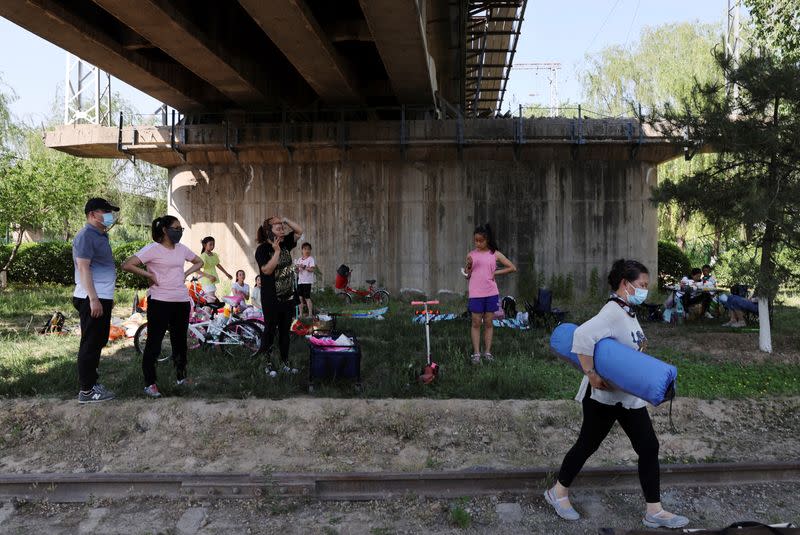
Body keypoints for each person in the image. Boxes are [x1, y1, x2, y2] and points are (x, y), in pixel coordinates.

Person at [545, 259, 689, 529]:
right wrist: (591, 375)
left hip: (628, 398)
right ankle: (557, 492)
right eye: (642, 285)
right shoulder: (612, 311)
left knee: (648, 446)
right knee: (587, 444)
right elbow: (583, 337)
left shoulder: (628, 312)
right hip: (603, 397)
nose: (645, 290)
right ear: (625, 284)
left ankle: (654, 511)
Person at [122, 216, 204, 398]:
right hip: (159, 301)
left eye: (181, 228)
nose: (179, 231)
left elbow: (199, 262)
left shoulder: (182, 249)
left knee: (180, 342)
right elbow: (127, 264)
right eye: (176, 228)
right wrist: (149, 275)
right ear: (165, 230)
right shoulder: (153, 249)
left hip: (181, 301)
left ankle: (181, 377)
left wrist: (185, 273)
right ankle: (150, 383)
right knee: (154, 343)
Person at [72, 197, 120, 403]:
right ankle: (87, 390)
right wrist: (94, 299)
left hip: (101, 296)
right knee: (91, 343)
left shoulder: (100, 235)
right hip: (91, 297)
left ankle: (92, 382)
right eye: (105, 211)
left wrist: (106, 297)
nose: (110, 216)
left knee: (98, 340)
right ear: (92, 214)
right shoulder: (86, 236)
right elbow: (83, 268)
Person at [255, 215, 304, 377]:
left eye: (282, 227)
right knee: (269, 331)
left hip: (288, 298)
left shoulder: (285, 243)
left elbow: (299, 231)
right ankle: (266, 363)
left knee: (285, 332)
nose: (282, 230)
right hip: (272, 300)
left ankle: (284, 363)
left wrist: (285, 219)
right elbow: (267, 270)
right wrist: (276, 252)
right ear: (269, 232)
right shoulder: (262, 250)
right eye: (278, 228)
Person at [463, 223, 517, 364]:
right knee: (475, 322)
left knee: (488, 323)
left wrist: (495, 272)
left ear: (488, 240)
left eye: (481, 240)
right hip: (475, 294)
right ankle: (476, 353)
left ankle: (487, 352)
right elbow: (467, 275)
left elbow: (512, 267)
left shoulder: (495, 254)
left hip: (491, 293)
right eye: (476, 240)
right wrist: (468, 265)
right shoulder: (471, 255)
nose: (478, 243)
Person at [198, 236, 232, 302]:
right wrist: (209, 276)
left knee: (211, 301)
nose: (212, 246)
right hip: (207, 280)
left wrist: (226, 274)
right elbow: (197, 270)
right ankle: (203, 312)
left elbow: (218, 265)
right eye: (210, 244)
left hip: (212, 280)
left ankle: (204, 312)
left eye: (213, 244)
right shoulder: (203, 256)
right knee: (211, 301)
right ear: (205, 245)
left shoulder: (214, 255)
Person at [295, 242, 316, 318]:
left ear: (310, 250)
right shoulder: (299, 259)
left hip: (307, 281)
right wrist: (296, 268)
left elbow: (312, 269)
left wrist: (304, 267)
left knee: (307, 298)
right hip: (300, 281)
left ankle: (310, 314)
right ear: (302, 250)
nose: (307, 251)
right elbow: (297, 271)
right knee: (300, 298)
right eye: (305, 249)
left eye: (308, 249)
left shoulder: (311, 259)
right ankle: (301, 314)